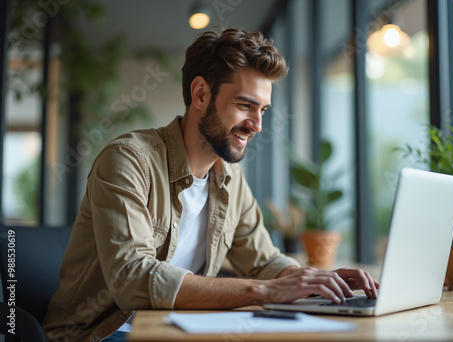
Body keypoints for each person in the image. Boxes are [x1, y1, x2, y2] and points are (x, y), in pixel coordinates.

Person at [42, 28, 379, 342]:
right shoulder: (128, 161)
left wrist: (316, 283)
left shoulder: (230, 178)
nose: (257, 125)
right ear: (201, 93)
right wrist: (263, 292)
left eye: (263, 109)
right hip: (97, 333)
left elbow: (263, 262)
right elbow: (133, 278)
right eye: (245, 105)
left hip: (174, 327)